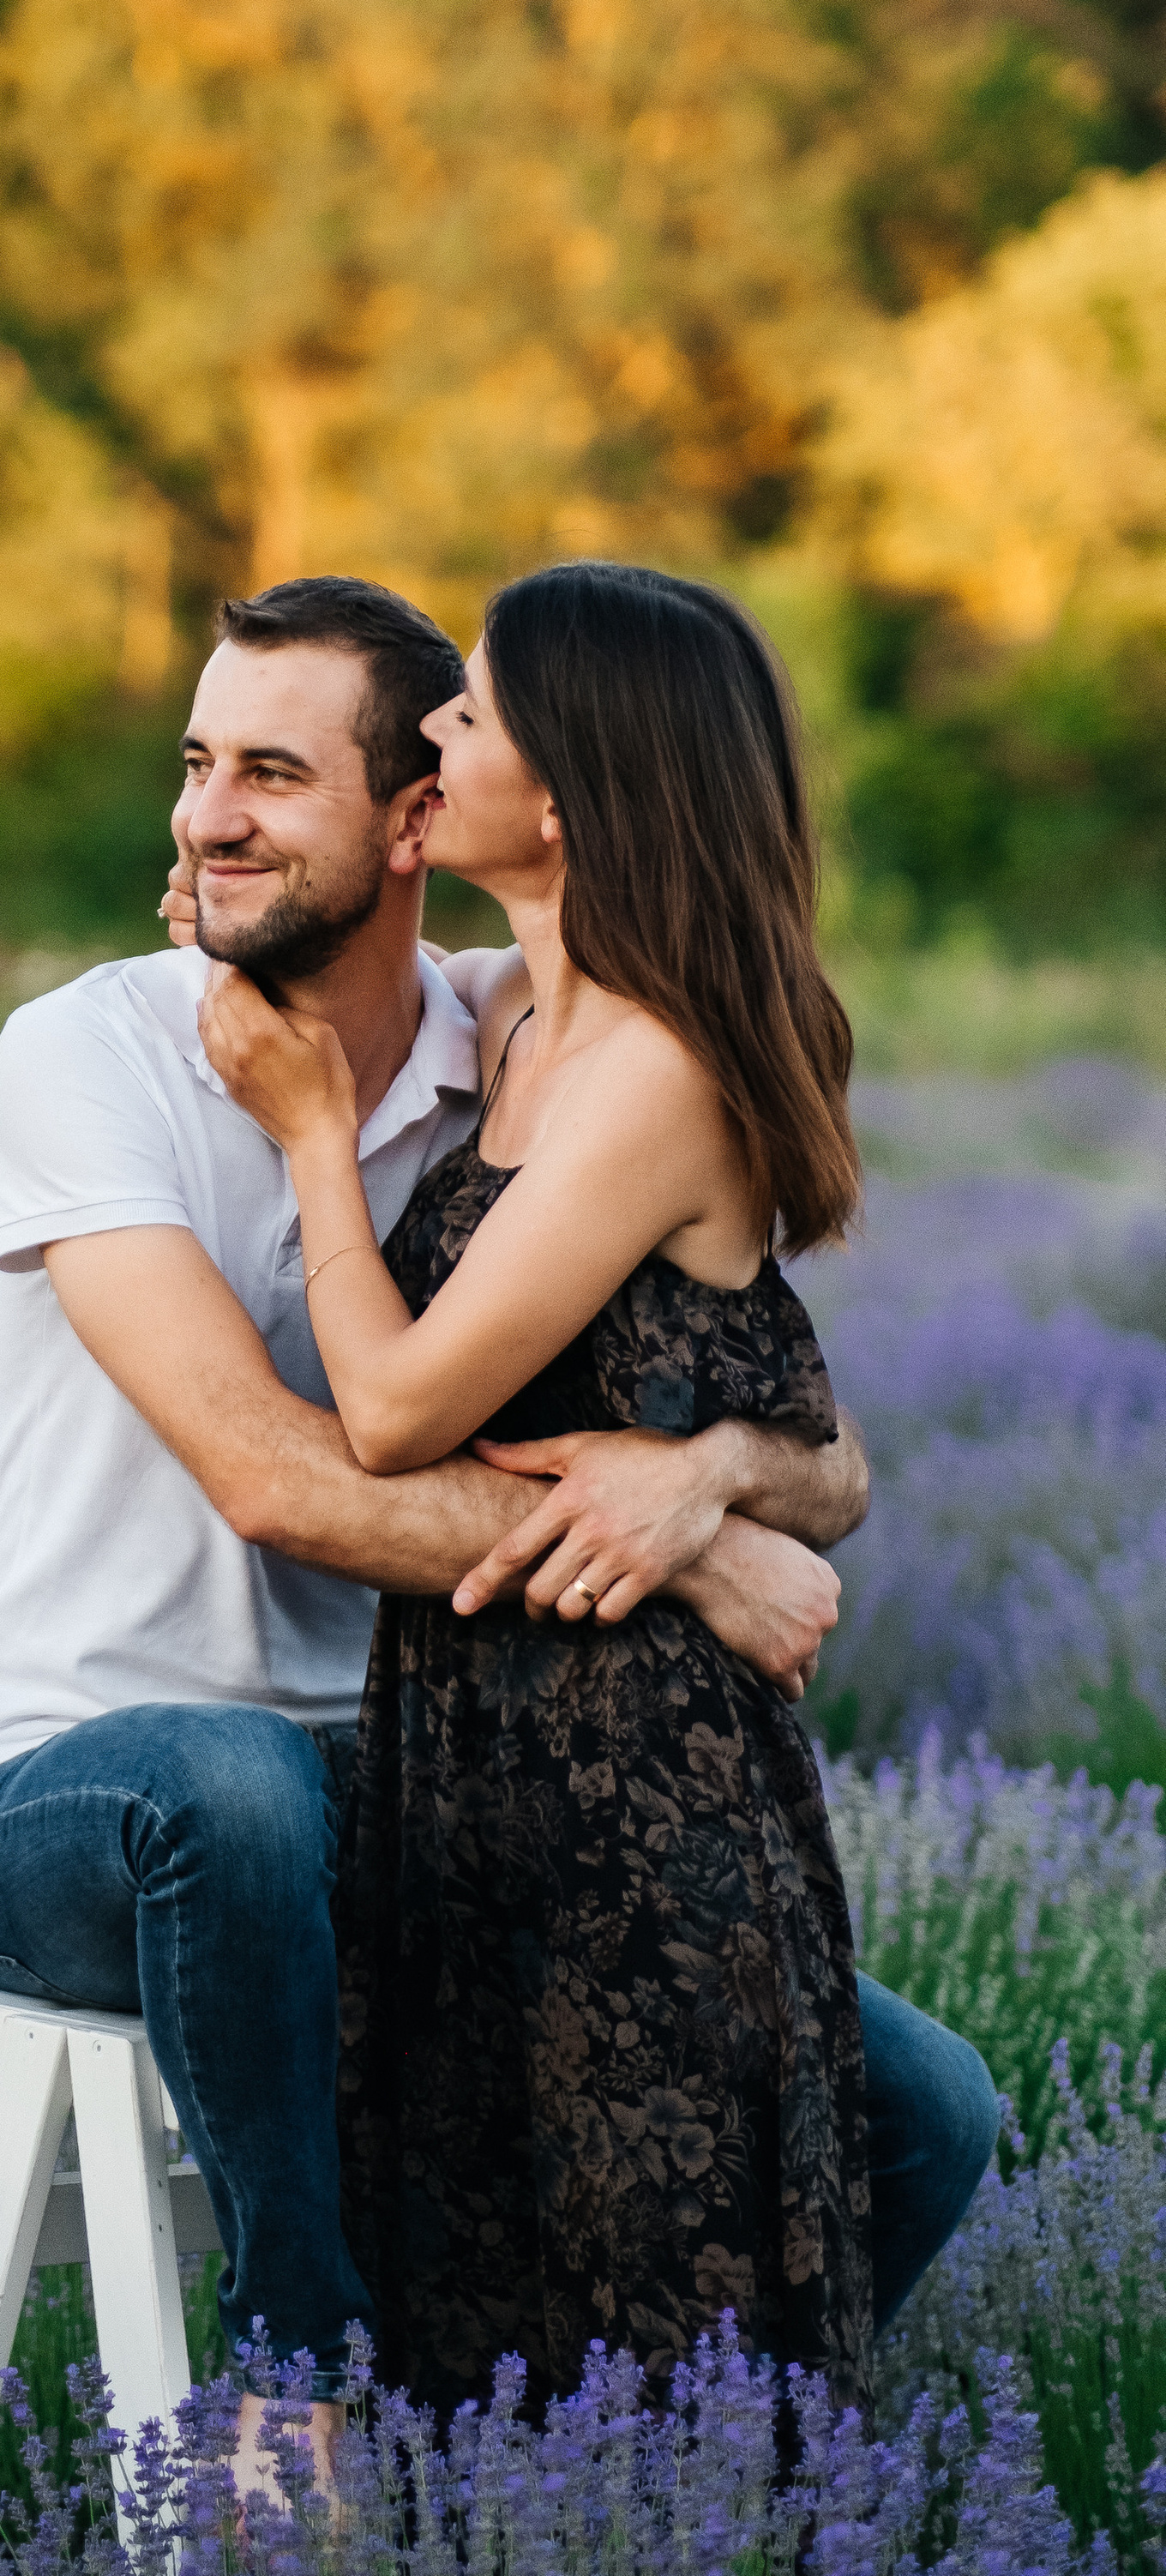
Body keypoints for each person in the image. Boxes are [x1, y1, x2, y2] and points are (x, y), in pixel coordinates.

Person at [0, 575, 995, 2477]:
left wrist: (713, 1486)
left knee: (919, 2102)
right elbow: (272, 1473)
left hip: (411, 1795)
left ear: (412, 819)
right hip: (71, 1782)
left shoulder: (520, 1041)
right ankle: (298, 2388)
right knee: (226, 1793)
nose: (202, 818)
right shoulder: (90, 1054)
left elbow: (819, 1444)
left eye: (268, 772)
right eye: (192, 767)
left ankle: (572, 2476)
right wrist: (693, 1575)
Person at [195, 563, 893, 2418]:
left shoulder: (652, 1066)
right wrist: (711, 1486)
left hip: (635, 1798)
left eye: (473, 717)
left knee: (656, 2344)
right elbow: (798, 1423)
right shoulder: (513, 1016)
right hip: (467, 1762)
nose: (434, 733)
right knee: (475, 2319)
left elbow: (402, 1407)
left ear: (570, 793)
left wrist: (307, 1143)